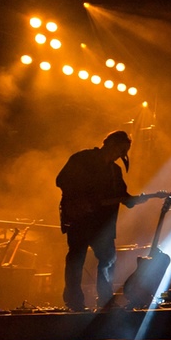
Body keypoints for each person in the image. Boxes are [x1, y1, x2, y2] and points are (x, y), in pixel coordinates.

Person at [56, 130, 153, 311]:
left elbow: (122, 196)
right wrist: (81, 200)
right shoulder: (83, 158)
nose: (122, 155)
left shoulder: (115, 172)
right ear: (110, 144)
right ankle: (74, 302)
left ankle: (105, 301)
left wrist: (136, 199)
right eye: (122, 149)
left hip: (103, 226)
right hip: (80, 221)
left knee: (108, 259)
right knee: (77, 259)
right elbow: (61, 180)